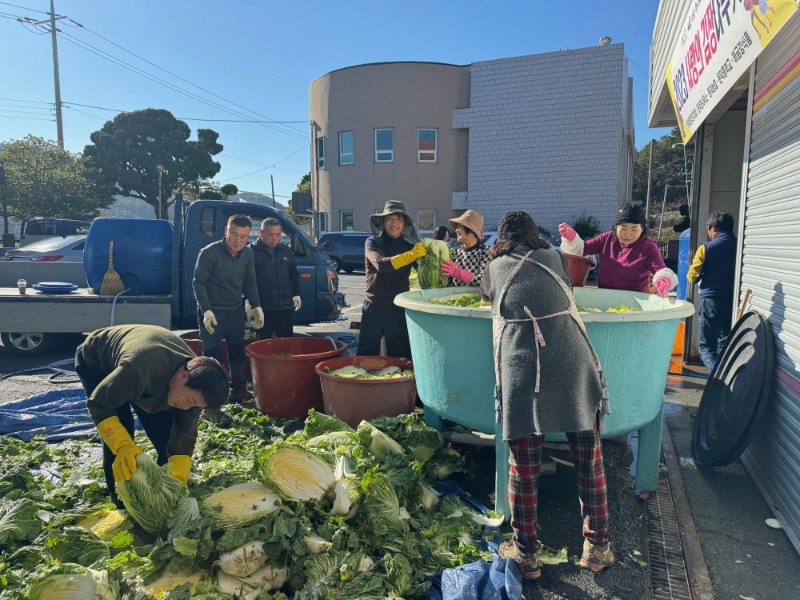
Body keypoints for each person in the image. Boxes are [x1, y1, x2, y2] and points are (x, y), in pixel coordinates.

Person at [480, 211, 614, 579]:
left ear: (501, 239)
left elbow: (487, 296)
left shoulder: (494, 267)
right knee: (589, 459)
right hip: (575, 362)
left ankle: (525, 555)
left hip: (523, 369)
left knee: (524, 469)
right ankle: (598, 548)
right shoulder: (554, 257)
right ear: (534, 235)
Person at [75, 324, 229, 507]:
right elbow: (99, 404)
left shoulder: (197, 389)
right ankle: (121, 501)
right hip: (98, 361)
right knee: (121, 436)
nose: (187, 406)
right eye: (189, 399)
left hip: (150, 374)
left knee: (166, 438)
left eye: (194, 405)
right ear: (182, 376)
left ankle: (161, 493)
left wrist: (178, 478)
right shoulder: (138, 369)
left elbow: (184, 433)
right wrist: (123, 446)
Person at [193, 214, 264, 402]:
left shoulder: (248, 254)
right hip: (212, 313)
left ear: (249, 236)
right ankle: (210, 397)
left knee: (237, 353)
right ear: (226, 231)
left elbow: (250, 282)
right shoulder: (209, 253)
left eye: (243, 236)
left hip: (235, 311)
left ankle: (239, 392)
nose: (238, 240)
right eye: (234, 234)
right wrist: (206, 309)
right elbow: (198, 283)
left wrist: (256, 305)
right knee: (211, 357)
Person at [558, 203, 678, 296]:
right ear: (616, 227)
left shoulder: (648, 247)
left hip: (636, 301)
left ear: (642, 229)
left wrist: (664, 279)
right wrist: (572, 238)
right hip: (606, 298)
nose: (628, 234)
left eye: (634, 229)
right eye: (623, 228)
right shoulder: (607, 239)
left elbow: (659, 269)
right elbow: (582, 249)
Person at [357, 200, 426, 358]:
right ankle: (364, 382)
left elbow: (423, 272)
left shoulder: (409, 246)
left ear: (404, 224)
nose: (394, 223)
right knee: (366, 355)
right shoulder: (372, 242)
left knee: (399, 356)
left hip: (398, 308)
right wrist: (410, 255)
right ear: (383, 221)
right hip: (374, 306)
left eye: (399, 219)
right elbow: (381, 265)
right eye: (390, 219)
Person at [687, 211, 737, 372]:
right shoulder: (741, 245)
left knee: (707, 347)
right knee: (725, 343)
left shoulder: (706, 248)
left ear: (713, 228)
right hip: (733, 300)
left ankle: (719, 381)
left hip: (711, 301)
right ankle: (731, 377)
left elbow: (692, 277)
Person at [250, 217, 302, 339]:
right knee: (263, 344)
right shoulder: (250, 252)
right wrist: (249, 301)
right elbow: (246, 280)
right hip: (262, 308)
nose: (275, 238)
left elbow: (294, 274)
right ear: (261, 233)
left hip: (284, 307)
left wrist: (297, 294)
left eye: (278, 235)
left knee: (286, 343)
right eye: (270, 234)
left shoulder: (286, 251)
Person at [440, 209, 490, 287]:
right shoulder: (454, 252)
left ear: (471, 231)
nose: (456, 230)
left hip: (476, 298)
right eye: (456, 227)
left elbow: (485, 280)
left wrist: (459, 273)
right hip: (454, 298)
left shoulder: (486, 252)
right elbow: (446, 281)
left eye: (459, 227)